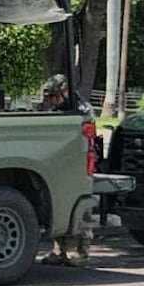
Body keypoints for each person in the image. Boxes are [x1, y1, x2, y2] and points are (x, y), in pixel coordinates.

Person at [37, 73, 92, 265]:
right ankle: (59, 251)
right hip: (60, 163)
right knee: (57, 203)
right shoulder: (58, 110)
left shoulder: (81, 110)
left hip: (79, 162)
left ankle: (83, 252)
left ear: (65, 92)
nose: (52, 101)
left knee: (81, 206)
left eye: (54, 96)